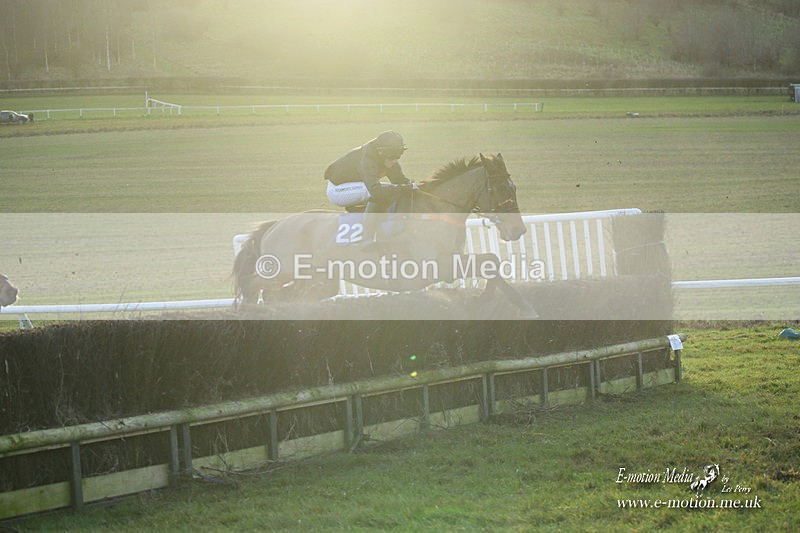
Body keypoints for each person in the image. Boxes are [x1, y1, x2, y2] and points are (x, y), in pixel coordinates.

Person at [324, 131, 414, 250]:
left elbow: (401, 182)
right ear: (381, 152)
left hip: (356, 187)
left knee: (392, 190)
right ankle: (368, 238)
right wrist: (403, 188)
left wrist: (415, 187)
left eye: (397, 157)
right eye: (391, 157)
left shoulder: (385, 156)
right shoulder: (367, 160)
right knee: (381, 191)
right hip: (338, 190)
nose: (394, 161)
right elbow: (376, 192)